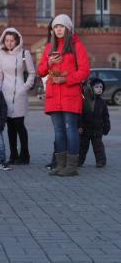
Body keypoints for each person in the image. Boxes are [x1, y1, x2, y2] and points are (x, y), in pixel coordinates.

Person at [37, 14, 90, 176]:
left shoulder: (77, 46)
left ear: (68, 28)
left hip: (70, 95)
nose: (58, 29)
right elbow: (40, 71)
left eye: (61, 26)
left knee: (70, 130)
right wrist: (49, 63)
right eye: (55, 27)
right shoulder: (48, 48)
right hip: (54, 96)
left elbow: (84, 71)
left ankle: (72, 167)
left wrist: (65, 79)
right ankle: (61, 165)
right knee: (58, 131)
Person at [0, 28, 36, 165]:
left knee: (19, 125)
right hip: (5, 94)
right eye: (7, 40)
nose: (9, 43)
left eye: (12, 40)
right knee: (10, 126)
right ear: (3, 40)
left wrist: (24, 88)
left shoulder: (25, 54)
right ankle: (13, 155)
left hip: (19, 94)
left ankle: (25, 155)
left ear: (17, 40)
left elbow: (31, 73)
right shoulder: (1, 54)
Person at [78, 78, 110, 168]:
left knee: (98, 146)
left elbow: (106, 116)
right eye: (97, 87)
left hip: (97, 129)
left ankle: (101, 161)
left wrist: (107, 126)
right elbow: (80, 114)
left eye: (101, 87)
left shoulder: (102, 103)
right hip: (85, 129)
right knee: (82, 147)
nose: (99, 89)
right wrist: (79, 126)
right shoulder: (85, 100)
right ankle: (79, 161)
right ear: (91, 88)